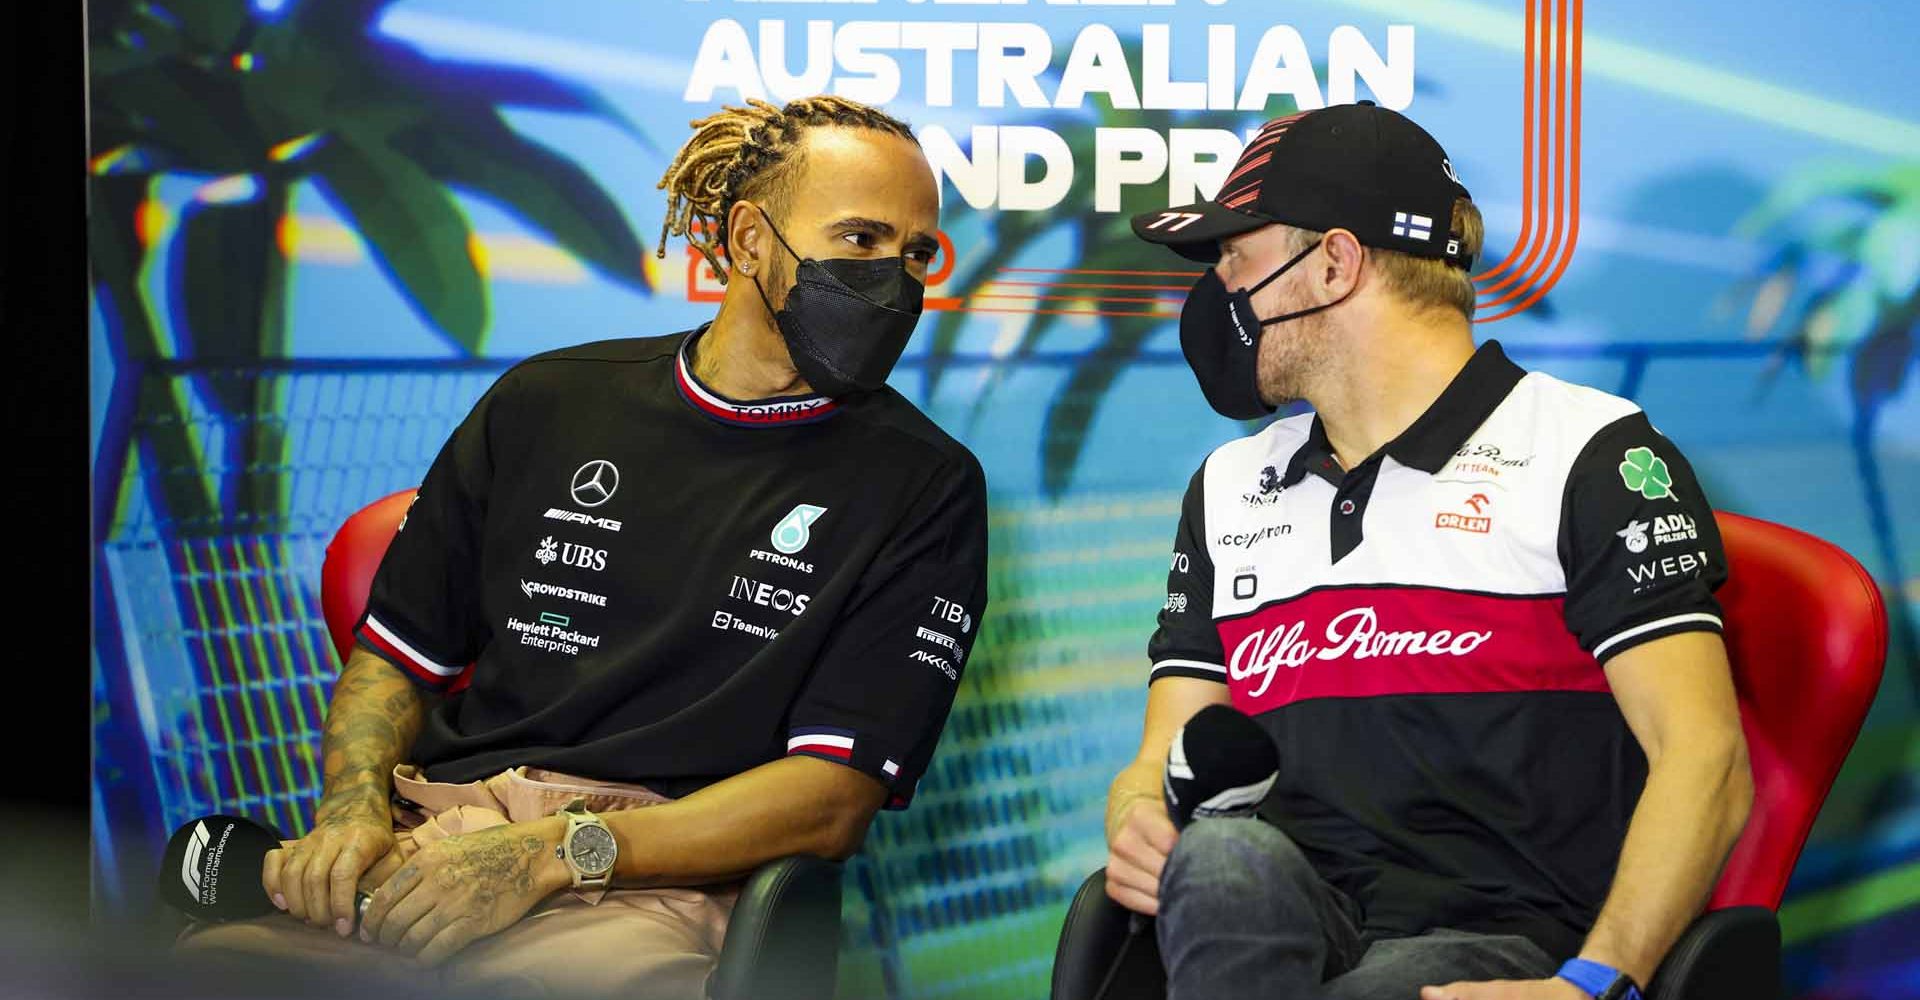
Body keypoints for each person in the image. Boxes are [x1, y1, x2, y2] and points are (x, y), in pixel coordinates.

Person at [177, 95, 989, 999]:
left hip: (652, 883)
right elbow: (395, 657)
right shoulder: (546, 402)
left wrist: (555, 853)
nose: (897, 281)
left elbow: (832, 801)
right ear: (751, 241)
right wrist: (353, 808)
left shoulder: (923, 484)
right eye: (861, 241)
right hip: (432, 842)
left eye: (917, 254)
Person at [1104, 102, 1752, 1000]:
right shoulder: (1225, 486)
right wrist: (1139, 812)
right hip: (1285, 914)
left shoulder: (1592, 454)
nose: (1217, 291)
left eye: (1234, 256)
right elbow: (1164, 751)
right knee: (1217, 861)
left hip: (1497, 942)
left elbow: (1704, 755)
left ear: (1332, 262)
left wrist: (1595, 982)